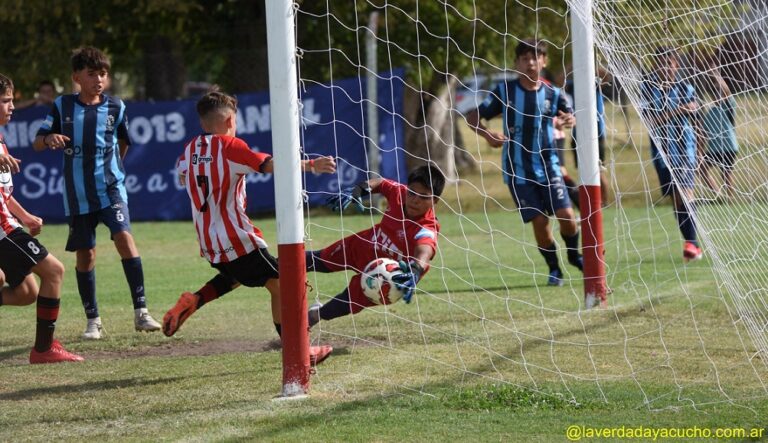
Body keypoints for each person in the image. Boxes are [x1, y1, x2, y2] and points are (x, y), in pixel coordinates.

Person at [163, 90, 336, 363]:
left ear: (203, 124)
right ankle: (300, 351)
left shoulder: (191, 149)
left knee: (239, 275)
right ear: (231, 120)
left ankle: (194, 301)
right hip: (237, 239)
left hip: (209, 242)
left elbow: (184, 176)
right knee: (282, 284)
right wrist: (311, 165)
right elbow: (268, 165)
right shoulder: (231, 147)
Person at [32, 47, 162, 339]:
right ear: (76, 77)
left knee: (124, 239)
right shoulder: (62, 106)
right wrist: (49, 137)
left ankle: (141, 312)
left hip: (110, 189)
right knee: (85, 255)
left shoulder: (116, 107)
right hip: (77, 194)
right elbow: (37, 143)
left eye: (103, 74)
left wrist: (114, 168)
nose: (99, 79)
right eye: (92, 74)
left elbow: (124, 142)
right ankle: (94, 321)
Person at [466, 39, 583, 286]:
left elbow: (569, 114)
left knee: (567, 215)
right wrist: (488, 135)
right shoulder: (505, 91)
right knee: (540, 222)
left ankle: (574, 256)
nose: (530, 62)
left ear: (544, 61)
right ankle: (554, 269)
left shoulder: (553, 93)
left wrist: (567, 120)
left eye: (535, 57)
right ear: (517, 63)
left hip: (549, 165)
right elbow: (473, 116)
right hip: (518, 171)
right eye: (524, 58)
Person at [0, 73, 83, 364]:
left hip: (9, 225)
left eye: (11, 100)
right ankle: (44, 349)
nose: (12, 106)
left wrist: (27, 217)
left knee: (26, 292)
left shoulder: (1, 140)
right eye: (6, 100)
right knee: (54, 272)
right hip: (2, 232)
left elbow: (4, 194)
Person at [305, 165, 445, 326]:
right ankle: (273, 269)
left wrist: (416, 269)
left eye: (424, 196)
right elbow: (380, 183)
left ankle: (313, 317)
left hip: (384, 277)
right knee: (313, 260)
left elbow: (425, 249)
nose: (415, 200)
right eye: (412, 192)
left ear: (435, 200)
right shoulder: (399, 193)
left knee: (343, 304)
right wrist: (357, 190)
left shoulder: (427, 227)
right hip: (360, 246)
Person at [640, 47, 702, 262]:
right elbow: (650, 122)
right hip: (662, 154)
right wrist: (678, 110)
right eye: (661, 63)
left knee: (686, 194)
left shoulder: (686, 87)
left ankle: (692, 244)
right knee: (676, 199)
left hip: (686, 151)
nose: (666, 67)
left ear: (677, 65)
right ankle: (692, 242)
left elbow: (697, 118)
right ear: (655, 65)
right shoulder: (647, 89)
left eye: (670, 63)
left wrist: (702, 149)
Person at [699, 65, 738, 200]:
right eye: (715, 93)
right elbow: (703, 134)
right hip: (714, 148)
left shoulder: (727, 106)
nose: (717, 95)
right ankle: (718, 194)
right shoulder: (709, 113)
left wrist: (716, 75)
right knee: (701, 167)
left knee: (726, 173)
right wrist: (700, 150)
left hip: (728, 147)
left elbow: (727, 92)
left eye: (719, 92)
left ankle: (730, 198)